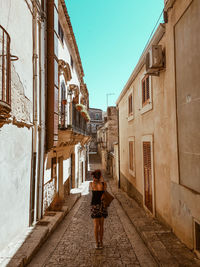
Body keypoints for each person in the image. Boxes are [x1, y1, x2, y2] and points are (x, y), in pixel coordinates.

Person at [89, 169, 108, 249]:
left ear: (94, 177)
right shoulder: (103, 184)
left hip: (95, 206)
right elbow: (105, 189)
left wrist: (95, 180)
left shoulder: (91, 184)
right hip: (102, 206)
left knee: (96, 226)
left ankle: (97, 243)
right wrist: (101, 179)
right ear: (100, 176)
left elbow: (92, 190)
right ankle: (101, 242)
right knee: (101, 225)